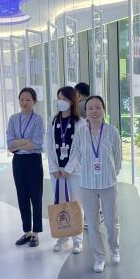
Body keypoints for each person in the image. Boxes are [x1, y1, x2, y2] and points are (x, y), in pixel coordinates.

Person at [67, 96, 121, 273]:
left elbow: (118, 157)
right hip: (87, 184)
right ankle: (99, 257)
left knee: (111, 222)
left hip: (108, 183)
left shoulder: (112, 131)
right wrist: (89, 169)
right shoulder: (81, 132)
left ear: (104, 110)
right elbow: (77, 154)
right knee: (92, 222)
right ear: (86, 111)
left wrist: (111, 172)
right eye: (90, 108)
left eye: (98, 107)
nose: (94, 111)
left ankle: (115, 249)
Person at [45, 86, 85, 254]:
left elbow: (80, 149)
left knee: (75, 204)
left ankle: (78, 240)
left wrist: (68, 169)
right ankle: (63, 238)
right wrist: (54, 168)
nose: (61, 102)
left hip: (74, 172)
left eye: (65, 99)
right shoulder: (52, 121)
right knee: (60, 204)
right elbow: (48, 146)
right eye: (59, 98)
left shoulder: (80, 123)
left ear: (72, 101)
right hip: (57, 172)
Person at [7, 87, 45, 248]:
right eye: (22, 99)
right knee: (22, 196)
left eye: (28, 99)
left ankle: (36, 232)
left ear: (34, 102)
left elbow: (37, 143)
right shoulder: (13, 119)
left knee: (35, 197)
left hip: (33, 160)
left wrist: (18, 143)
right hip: (18, 161)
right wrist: (26, 140)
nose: (24, 102)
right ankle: (27, 231)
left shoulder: (38, 119)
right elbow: (10, 144)